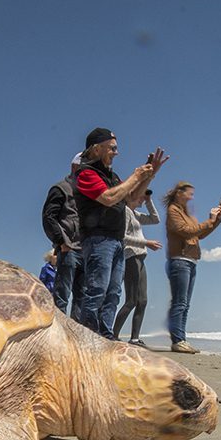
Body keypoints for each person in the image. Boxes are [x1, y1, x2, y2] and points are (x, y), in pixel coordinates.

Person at [74, 127, 165, 339]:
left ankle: (106, 337)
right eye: (112, 148)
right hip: (98, 240)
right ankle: (87, 337)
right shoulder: (87, 173)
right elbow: (108, 198)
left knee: (113, 293)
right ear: (97, 149)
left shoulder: (111, 175)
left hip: (116, 241)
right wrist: (135, 175)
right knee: (97, 290)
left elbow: (131, 200)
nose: (116, 152)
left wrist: (149, 176)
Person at [163, 182, 221, 354]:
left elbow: (199, 234)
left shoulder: (186, 213)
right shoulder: (173, 211)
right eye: (189, 193)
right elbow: (186, 231)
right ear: (178, 193)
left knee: (185, 304)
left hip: (190, 261)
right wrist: (210, 220)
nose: (191, 197)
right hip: (179, 260)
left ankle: (181, 339)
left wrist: (216, 221)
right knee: (179, 302)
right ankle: (178, 340)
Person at [112, 187, 162, 347]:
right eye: (140, 196)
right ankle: (112, 335)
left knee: (142, 300)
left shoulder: (135, 214)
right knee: (132, 300)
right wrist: (146, 243)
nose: (142, 199)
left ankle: (134, 338)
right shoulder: (125, 211)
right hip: (131, 256)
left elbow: (155, 219)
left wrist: (149, 201)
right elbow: (122, 236)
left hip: (140, 257)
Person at [41, 152, 85, 319]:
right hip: (68, 249)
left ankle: (75, 336)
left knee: (82, 296)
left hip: (84, 250)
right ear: (74, 167)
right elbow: (48, 217)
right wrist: (61, 242)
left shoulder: (88, 194)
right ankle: (58, 336)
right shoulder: (60, 189)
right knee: (62, 295)